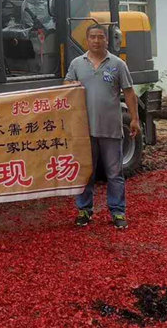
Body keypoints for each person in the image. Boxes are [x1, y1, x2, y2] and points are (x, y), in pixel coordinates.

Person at [65, 23, 140, 229]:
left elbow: (129, 92)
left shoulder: (117, 64)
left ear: (107, 39)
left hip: (111, 129)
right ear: (86, 40)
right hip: (84, 130)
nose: (96, 41)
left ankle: (117, 212)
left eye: (100, 37)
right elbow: (66, 89)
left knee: (114, 173)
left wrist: (135, 119)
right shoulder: (77, 64)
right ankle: (84, 210)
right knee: (86, 173)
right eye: (93, 37)